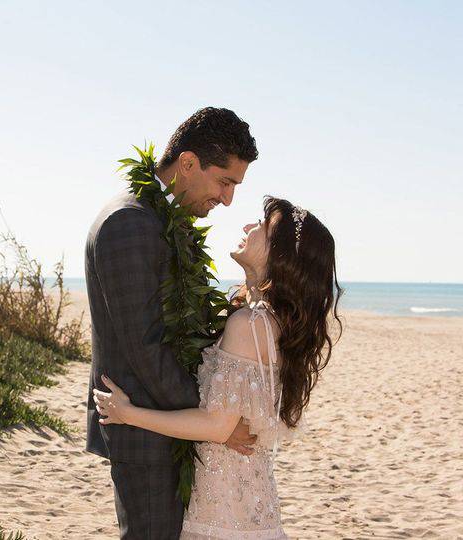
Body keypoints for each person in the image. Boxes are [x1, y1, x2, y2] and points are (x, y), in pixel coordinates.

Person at [94, 197, 343, 539]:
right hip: (248, 503)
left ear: (280, 255)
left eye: (262, 226)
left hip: (223, 512)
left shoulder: (249, 323)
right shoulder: (275, 323)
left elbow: (217, 424)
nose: (247, 228)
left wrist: (129, 414)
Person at [84, 107, 259, 539]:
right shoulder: (130, 223)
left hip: (167, 424)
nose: (228, 198)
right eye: (225, 181)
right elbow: (145, 347)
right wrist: (211, 416)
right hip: (146, 432)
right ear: (187, 163)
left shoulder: (161, 221)